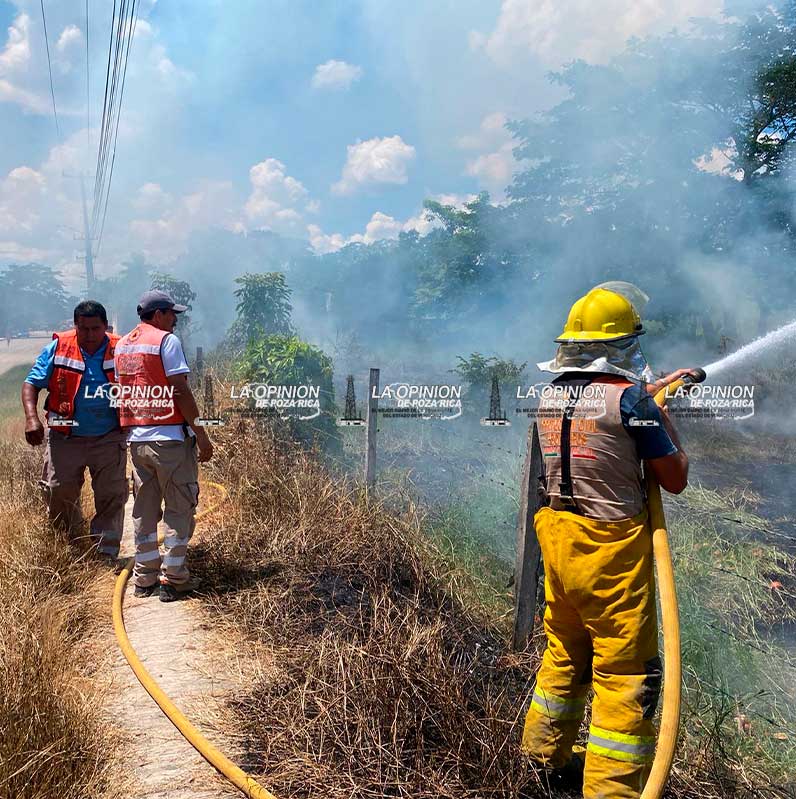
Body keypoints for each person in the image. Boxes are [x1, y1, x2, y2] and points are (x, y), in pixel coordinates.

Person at [521, 282, 694, 799]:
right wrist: (662, 412)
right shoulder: (633, 400)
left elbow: (599, 409)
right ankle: (611, 790)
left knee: (565, 651)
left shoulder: (549, 395)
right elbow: (674, 478)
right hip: (609, 552)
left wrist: (653, 392)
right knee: (625, 675)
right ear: (622, 345)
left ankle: (540, 761)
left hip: (559, 541)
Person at [115, 290, 213, 602]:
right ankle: (174, 578)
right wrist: (201, 434)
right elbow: (180, 390)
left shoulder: (122, 345)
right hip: (169, 441)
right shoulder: (165, 341)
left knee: (144, 509)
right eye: (172, 314)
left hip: (138, 441)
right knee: (179, 507)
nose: (175, 320)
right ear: (158, 314)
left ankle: (144, 578)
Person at [22, 300, 127, 559]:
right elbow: (31, 384)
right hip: (65, 437)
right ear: (75, 326)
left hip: (109, 436)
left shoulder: (121, 348)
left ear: (106, 326)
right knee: (59, 491)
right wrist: (31, 418)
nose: (90, 335)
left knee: (112, 495)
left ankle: (105, 553)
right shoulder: (58, 348)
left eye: (95, 329)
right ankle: (71, 548)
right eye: (84, 329)